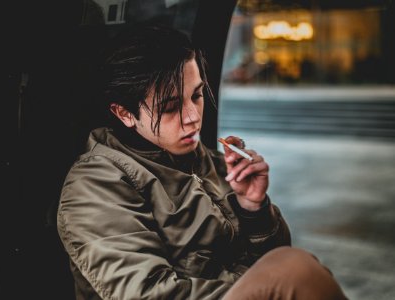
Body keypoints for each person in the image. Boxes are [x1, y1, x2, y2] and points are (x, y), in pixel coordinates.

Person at [57, 23, 347, 300]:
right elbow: (148, 294)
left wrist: (253, 209)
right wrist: (269, 287)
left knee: (298, 270)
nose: (193, 117)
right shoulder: (95, 184)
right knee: (295, 270)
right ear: (124, 114)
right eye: (170, 107)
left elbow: (267, 260)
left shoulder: (206, 159)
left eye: (196, 95)